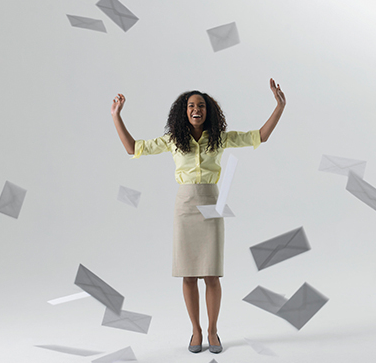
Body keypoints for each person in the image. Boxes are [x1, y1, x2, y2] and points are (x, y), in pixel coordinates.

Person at [111, 79, 286, 353]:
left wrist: (279, 107)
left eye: (201, 105)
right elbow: (133, 148)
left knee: (212, 275)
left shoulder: (219, 138)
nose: (196, 109)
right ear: (184, 111)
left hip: (211, 204)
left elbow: (259, 136)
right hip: (184, 206)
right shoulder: (173, 141)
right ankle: (196, 331)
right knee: (188, 275)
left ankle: (214, 331)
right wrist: (116, 116)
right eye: (191, 105)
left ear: (208, 110)